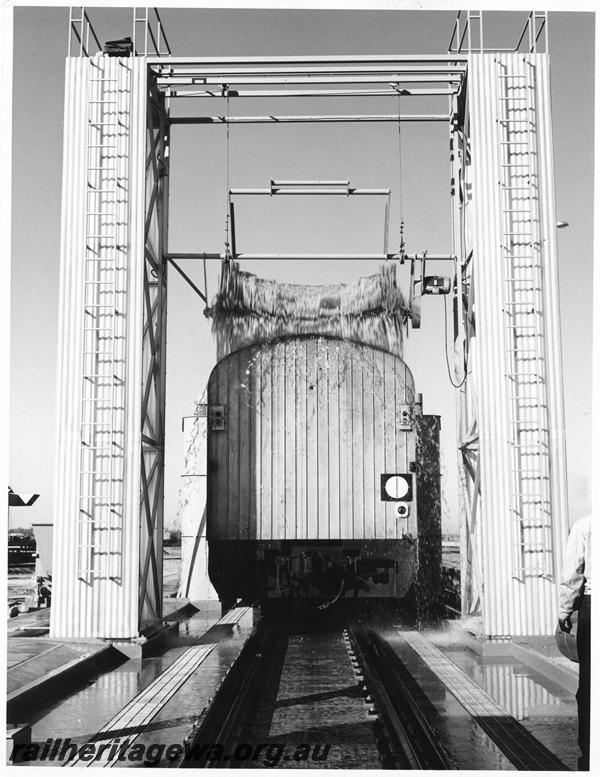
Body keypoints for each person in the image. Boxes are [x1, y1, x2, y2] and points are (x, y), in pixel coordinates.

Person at [558, 514, 591, 770]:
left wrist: (564, 612)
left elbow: (572, 575)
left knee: (590, 687)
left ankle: (589, 757)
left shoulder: (585, 525)